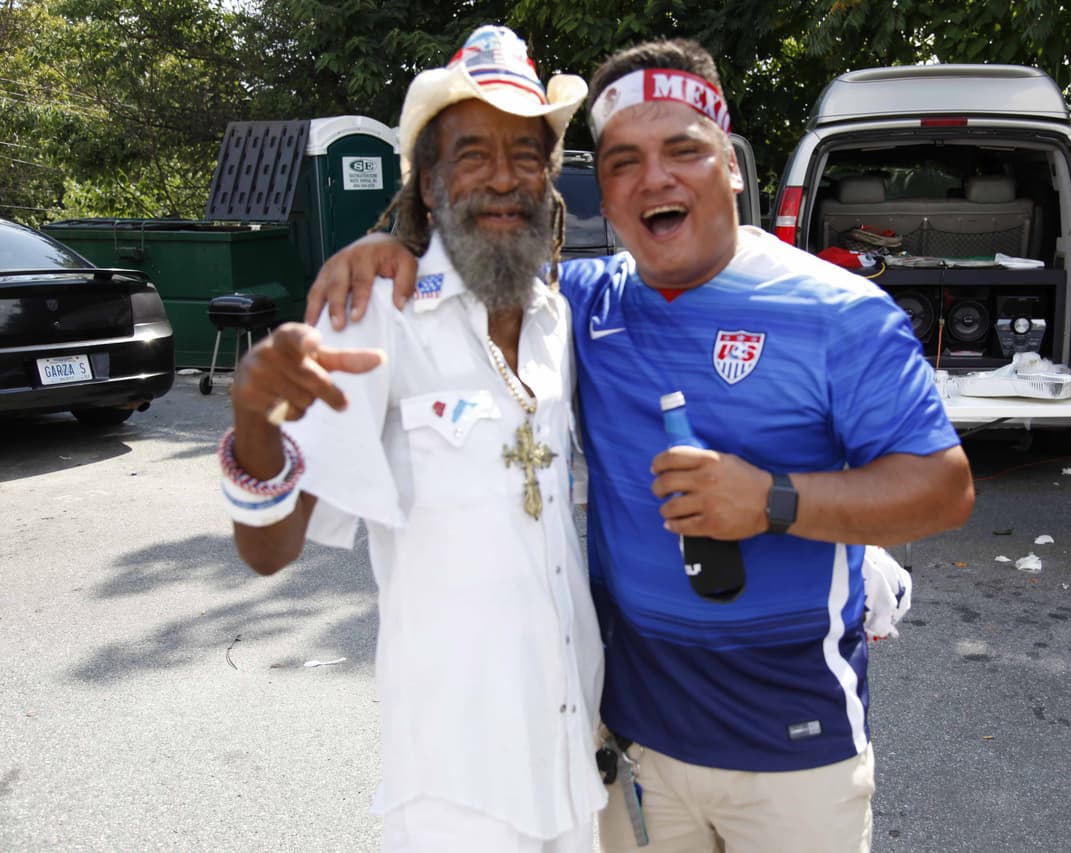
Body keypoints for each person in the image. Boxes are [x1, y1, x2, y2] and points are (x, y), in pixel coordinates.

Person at [309, 38, 975, 853]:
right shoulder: (581, 306)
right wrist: (390, 251)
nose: (654, 178)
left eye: (683, 150)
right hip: (638, 747)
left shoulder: (841, 312)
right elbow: (481, 260)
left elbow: (944, 488)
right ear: (605, 196)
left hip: (798, 749)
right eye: (623, 161)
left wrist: (772, 500)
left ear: (730, 165)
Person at [218, 26, 605, 852]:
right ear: (429, 182)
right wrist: (253, 421)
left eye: (526, 154)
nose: (503, 178)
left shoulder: (555, 316)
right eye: (472, 154)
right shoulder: (374, 316)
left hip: (575, 757)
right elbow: (269, 550)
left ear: (551, 179)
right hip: (454, 788)